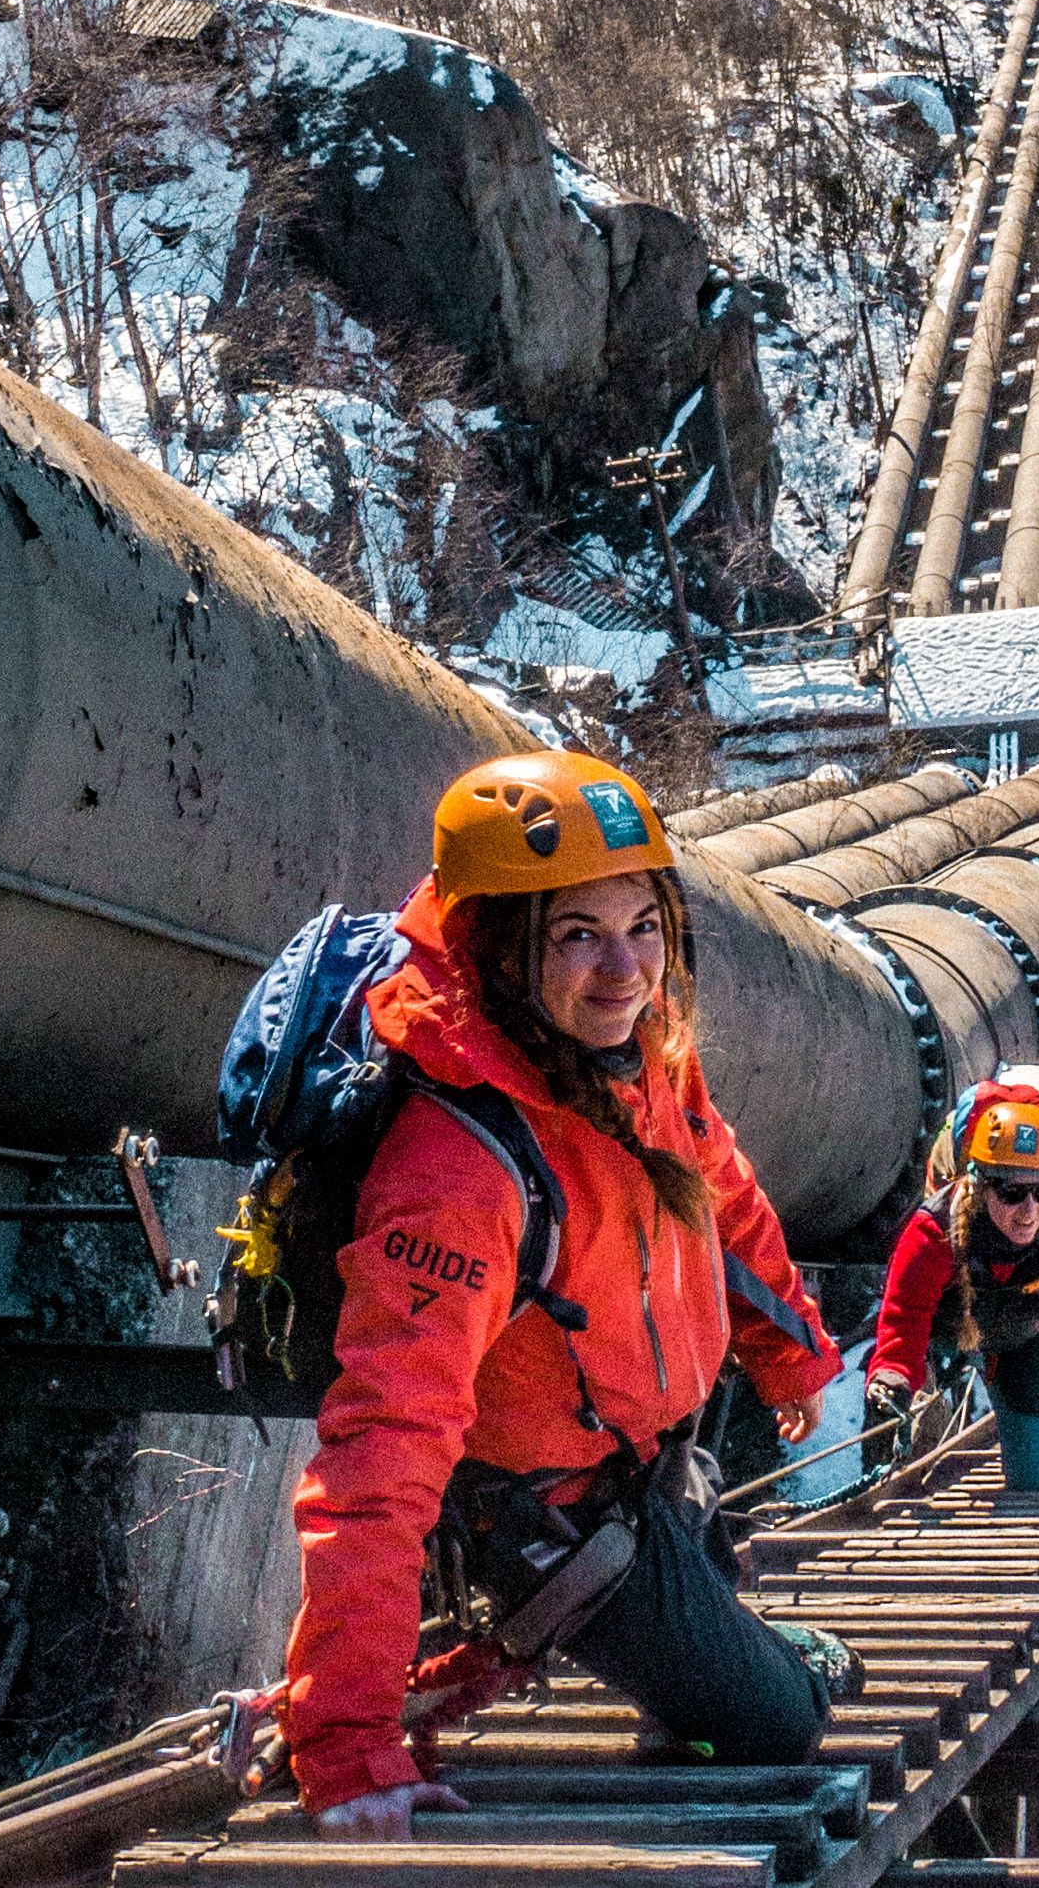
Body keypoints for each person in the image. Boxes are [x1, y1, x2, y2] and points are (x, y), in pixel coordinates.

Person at [282, 750, 854, 1841]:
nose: (623, 969)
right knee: (776, 1724)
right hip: (550, 1516)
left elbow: (719, 1195)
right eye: (576, 934)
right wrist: (347, 1747)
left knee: (715, 1664)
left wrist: (793, 1352)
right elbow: (380, 1449)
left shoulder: (638, 1056)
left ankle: (715, 1644)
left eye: (642, 926)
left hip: (643, 1467)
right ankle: (771, 1666)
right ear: (500, 945)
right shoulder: (455, 1168)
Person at [861, 1090, 1039, 1501]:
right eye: (1012, 1193)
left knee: (1037, 1484)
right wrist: (893, 1379)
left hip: (1020, 1343)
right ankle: (877, 1491)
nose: (1029, 1211)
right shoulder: (932, 1232)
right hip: (942, 1336)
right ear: (979, 1185)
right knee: (886, 1393)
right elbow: (904, 1320)